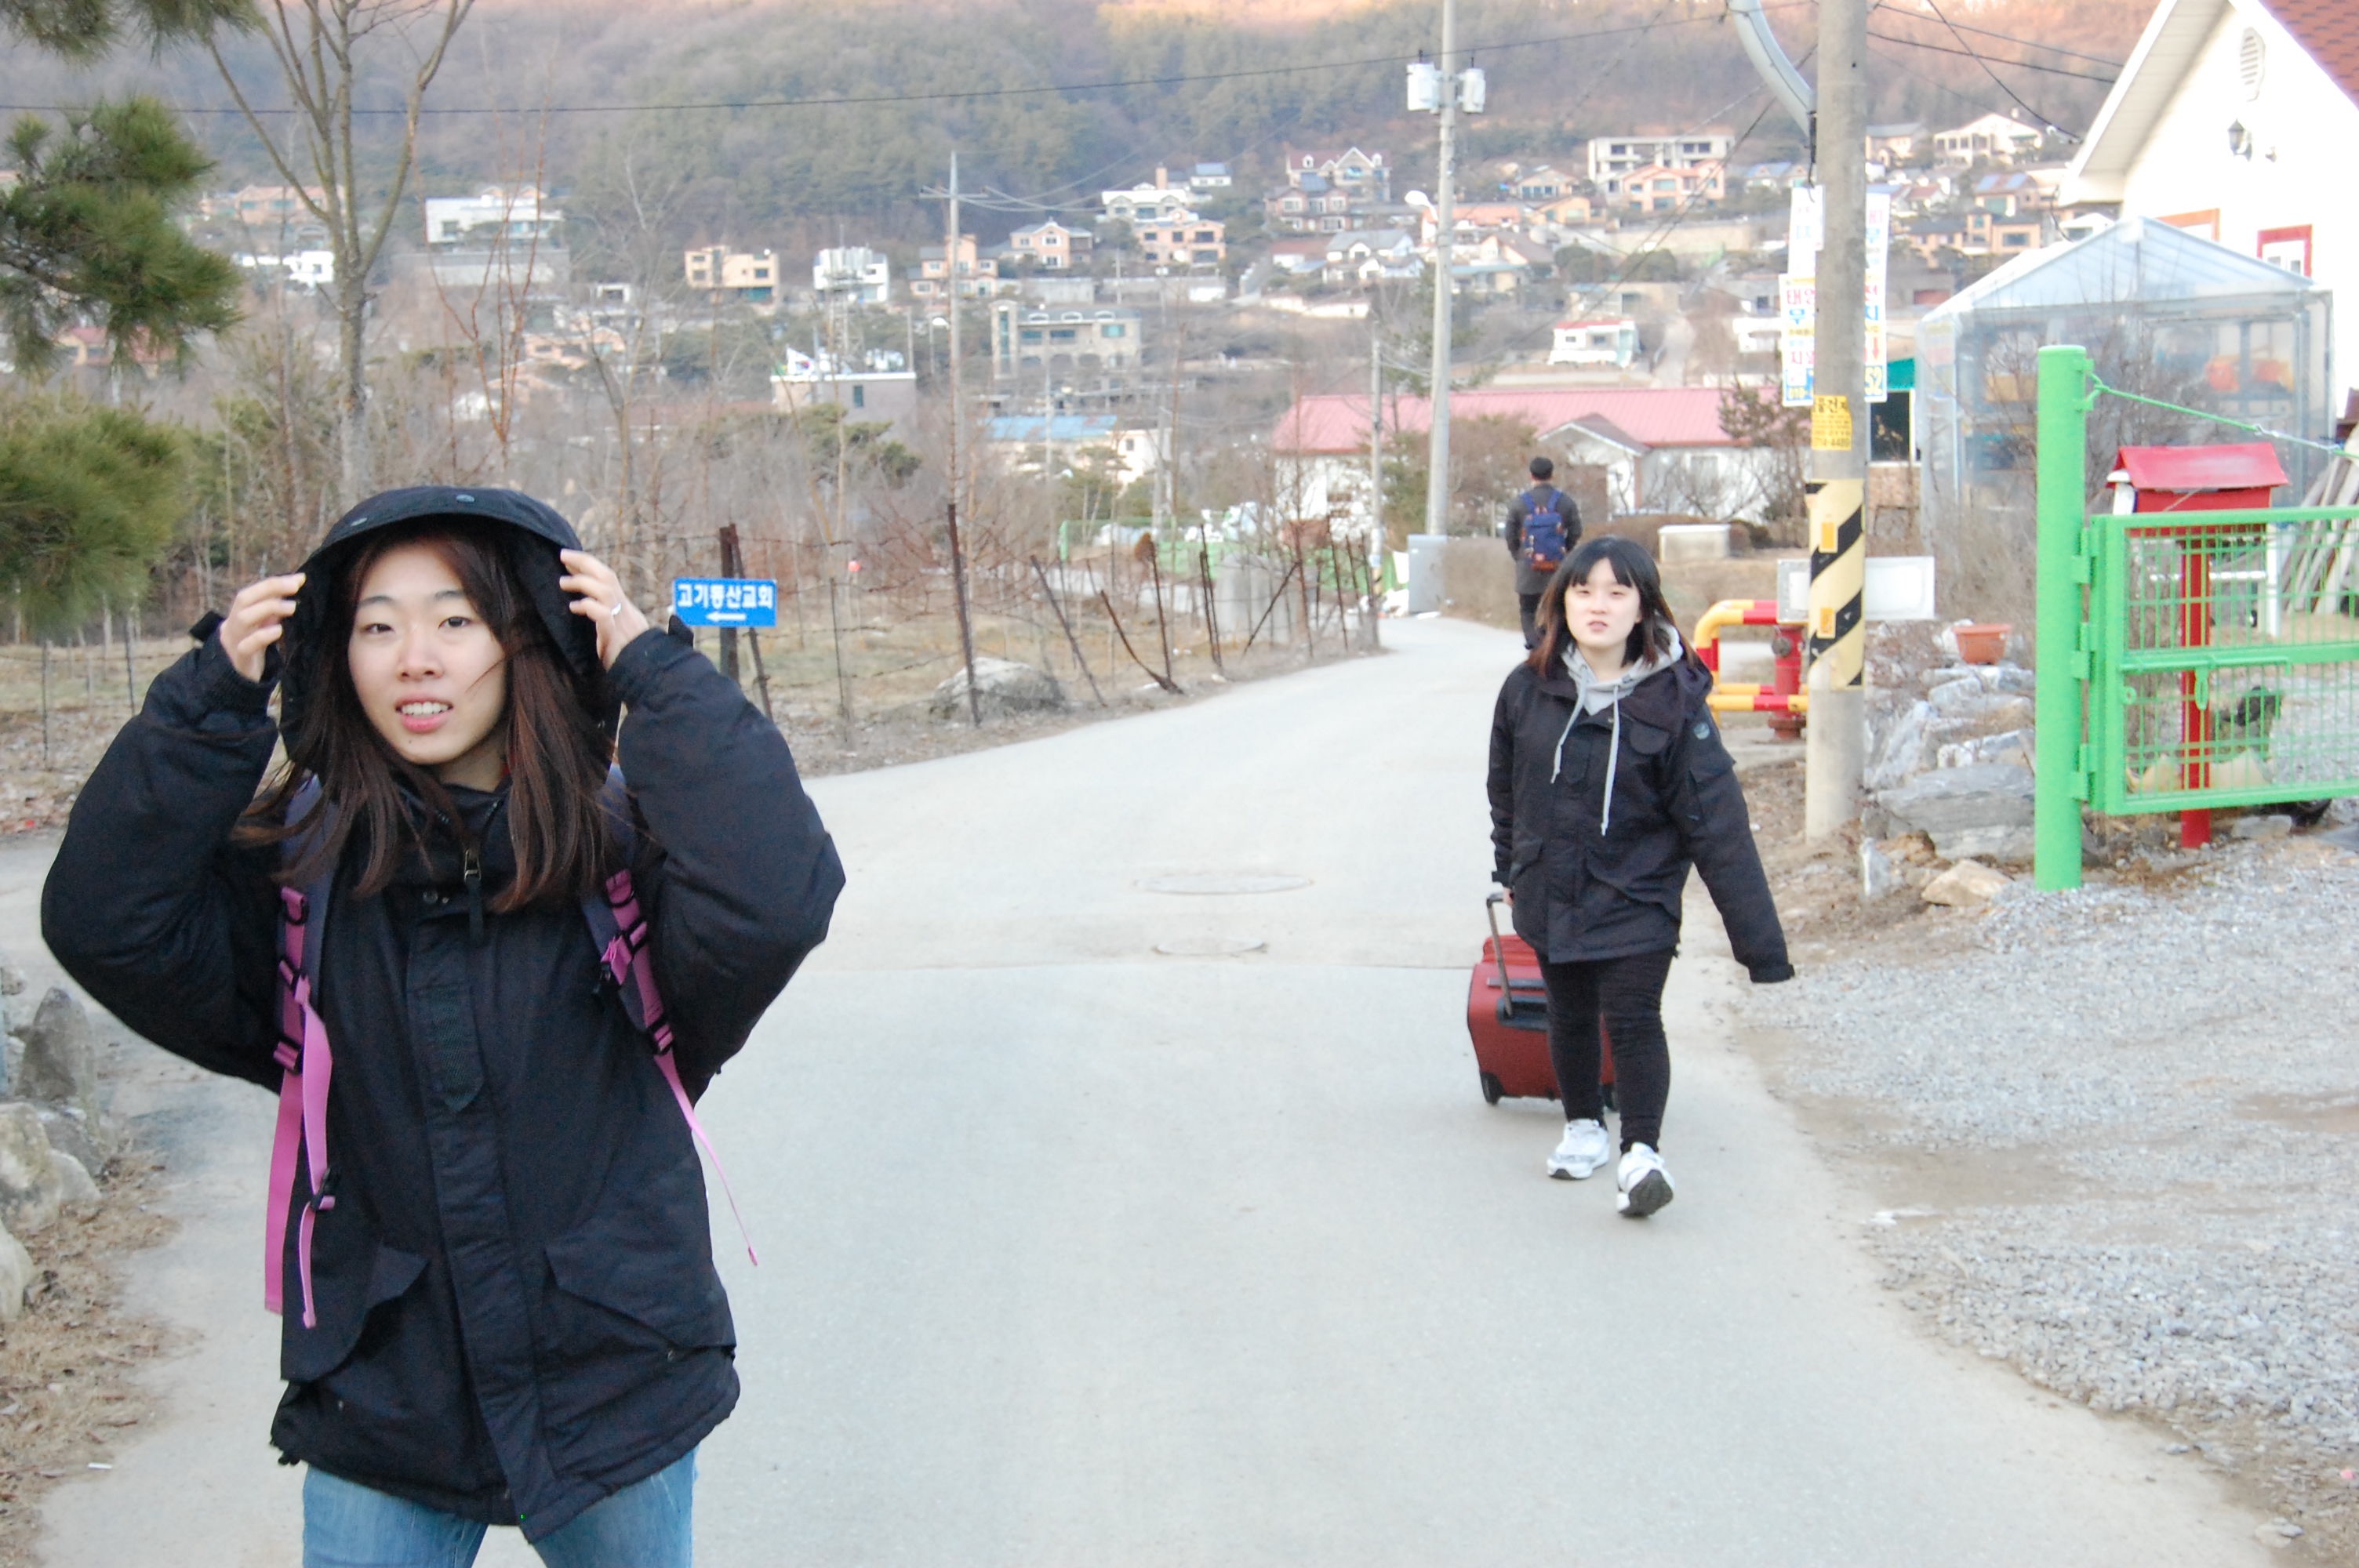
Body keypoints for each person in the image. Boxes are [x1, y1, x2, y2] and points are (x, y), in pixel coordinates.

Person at [42, 487, 845, 1566]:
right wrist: (206, 706)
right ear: (334, 655)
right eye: (376, 626)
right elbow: (105, 921)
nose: (414, 659)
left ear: (531, 640)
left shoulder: (623, 860)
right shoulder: (301, 876)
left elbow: (778, 893)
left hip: (613, 1371)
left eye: (456, 620)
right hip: (386, 1386)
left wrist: (652, 672)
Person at [1485, 535, 1790, 1218]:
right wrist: (1511, 868)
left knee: (1632, 1017)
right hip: (1551, 886)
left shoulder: (1675, 702)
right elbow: (1506, 790)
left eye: (1616, 592)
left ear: (1643, 607)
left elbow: (1718, 826)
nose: (1598, 605)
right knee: (1568, 1012)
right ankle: (1584, 1128)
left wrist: (1761, 948)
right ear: (1562, 602)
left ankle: (1642, 1154)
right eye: (1584, 591)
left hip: (1638, 893)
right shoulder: (1526, 689)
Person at [1503, 456, 1581, 649]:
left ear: (1531, 475)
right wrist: (1565, 551)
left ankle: (1536, 647)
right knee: (1558, 609)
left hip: (1528, 567)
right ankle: (1555, 647)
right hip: (1557, 568)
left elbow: (1510, 535)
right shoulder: (1565, 502)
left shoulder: (1519, 503)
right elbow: (1576, 530)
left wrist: (1519, 556)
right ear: (1552, 475)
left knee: (1528, 610)